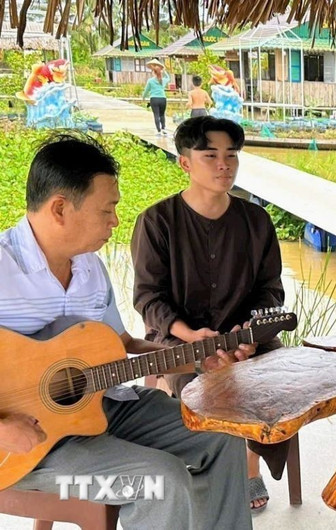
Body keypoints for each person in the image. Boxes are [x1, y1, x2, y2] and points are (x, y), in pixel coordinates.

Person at [0, 133, 252, 529]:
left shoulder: (89, 268)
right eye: (107, 210)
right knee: (159, 482)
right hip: (24, 456)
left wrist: (192, 350)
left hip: (104, 406)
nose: (116, 221)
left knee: (222, 435)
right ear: (61, 209)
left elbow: (122, 346)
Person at [130, 115, 285, 513]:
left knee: (281, 385)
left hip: (247, 337)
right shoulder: (157, 222)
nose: (224, 165)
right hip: (179, 339)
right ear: (185, 162)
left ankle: (249, 463)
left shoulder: (256, 221)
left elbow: (270, 289)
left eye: (231, 155)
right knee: (201, 389)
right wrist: (188, 334)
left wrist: (250, 332)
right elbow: (148, 297)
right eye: (211, 155)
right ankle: (209, 463)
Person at [142, 58, 170, 137]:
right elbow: (168, 78)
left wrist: (143, 97)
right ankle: (164, 129)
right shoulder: (163, 80)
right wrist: (164, 71)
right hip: (163, 99)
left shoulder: (150, 81)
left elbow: (146, 90)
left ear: (153, 73)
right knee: (162, 114)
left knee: (156, 115)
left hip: (154, 99)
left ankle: (158, 131)